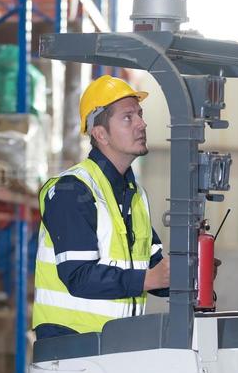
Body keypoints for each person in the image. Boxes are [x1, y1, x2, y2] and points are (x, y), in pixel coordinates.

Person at [33, 76, 169, 338]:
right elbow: (79, 276)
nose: (142, 124)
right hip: (71, 347)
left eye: (140, 115)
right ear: (100, 133)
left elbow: (153, 268)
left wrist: (187, 276)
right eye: (128, 118)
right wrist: (148, 279)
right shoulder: (70, 190)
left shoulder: (135, 194)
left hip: (114, 345)